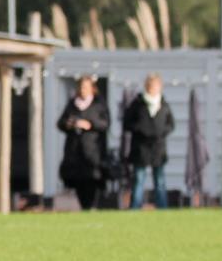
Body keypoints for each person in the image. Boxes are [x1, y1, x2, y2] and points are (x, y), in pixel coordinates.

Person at [56, 75, 111, 211]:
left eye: (86, 87)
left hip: (92, 150)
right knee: (78, 179)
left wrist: (90, 124)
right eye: (81, 87)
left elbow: (105, 124)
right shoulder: (72, 104)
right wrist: (70, 124)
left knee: (92, 178)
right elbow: (60, 123)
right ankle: (84, 206)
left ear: (92, 88)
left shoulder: (98, 104)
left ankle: (92, 205)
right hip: (75, 150)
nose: (83, 89)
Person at [124, 73, 176, 210]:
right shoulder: (137, 104)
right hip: (141, 148)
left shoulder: (164, 105)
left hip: (158, 148)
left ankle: (162, 208)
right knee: (139, 179)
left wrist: (160, 132)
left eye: (156, 86)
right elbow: (127, 123)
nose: (153, 88)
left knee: (159, 180)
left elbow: (170, 125)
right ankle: (135, 207)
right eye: (151, 86)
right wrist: (142, 129)